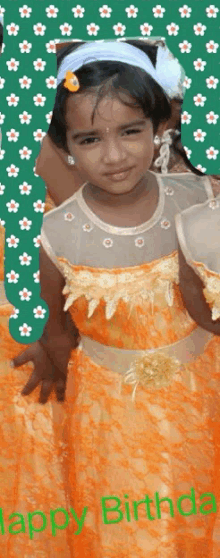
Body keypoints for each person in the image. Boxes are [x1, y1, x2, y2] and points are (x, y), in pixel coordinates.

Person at [1, 38, 220, 557]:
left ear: (158, 127)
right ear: (64, 145)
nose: (116, 155)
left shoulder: (200, 197)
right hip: (111, 417)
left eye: (131, 131)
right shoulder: (56, 233)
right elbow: (59, 327)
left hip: (202, 396)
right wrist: (50, 359)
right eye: (90, 139)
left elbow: (208, 308)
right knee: (130, 530)